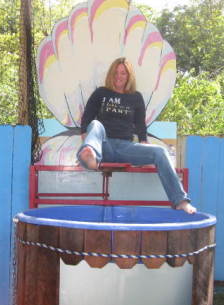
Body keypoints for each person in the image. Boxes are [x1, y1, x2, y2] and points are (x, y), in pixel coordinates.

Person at [77, 57, 196, 214]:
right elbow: (86, 121)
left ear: (129, 76)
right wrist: (88, 139)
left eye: (123, 73)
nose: (119, 76)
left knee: (160, 152)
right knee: (96, 125)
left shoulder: (136, 97)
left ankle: (180, 201)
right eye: (116, 72)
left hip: (126, 148)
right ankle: (90, 156)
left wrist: (145, 147)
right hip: (103, 146)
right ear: (111, 74)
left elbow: (141, 127)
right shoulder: (101, 93)